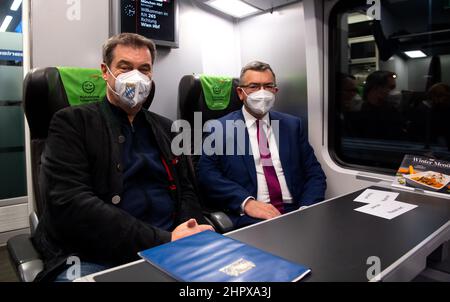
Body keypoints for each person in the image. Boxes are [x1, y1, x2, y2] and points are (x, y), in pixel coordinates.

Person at [32, 33, 213, 281]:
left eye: (144, 69)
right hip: (94, 256)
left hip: (173, 244)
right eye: (125, 67)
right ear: (106, 72)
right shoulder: (71, 122)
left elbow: (187, 189)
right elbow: (72, 202)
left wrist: (190, 229)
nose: (135, 77)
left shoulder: (167, 128)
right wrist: (164, 240)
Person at [197, 61, 326, 228]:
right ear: (240, 93)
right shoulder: (219, 128)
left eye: (268, 86)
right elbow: (207, 175)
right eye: (254, 86)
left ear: (275, 91)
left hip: (296, 211)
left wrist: (306, 208)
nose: (262, 93)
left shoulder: (292, 125)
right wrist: (246, 202)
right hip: (251, 216)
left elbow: (314, 173)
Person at [358, 70, 405, 139]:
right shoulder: (359, 112)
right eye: (391, 87)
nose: (394, 92)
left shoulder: (392, 110)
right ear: (375, 87)